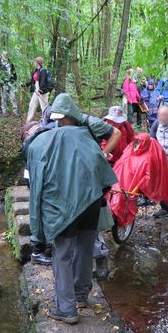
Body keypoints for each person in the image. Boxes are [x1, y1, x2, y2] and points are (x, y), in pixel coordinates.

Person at [27, 93, 118, 324]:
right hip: (91, 203)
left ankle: (66, 309)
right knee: (85, 249)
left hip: (65, 208)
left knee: (62, 254)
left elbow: (37, 189)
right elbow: (102, 172)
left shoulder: (41, 143)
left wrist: (37, 233)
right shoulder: (87, 134)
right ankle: (80, 297)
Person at [46, 95, 122, 262]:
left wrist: (101, 154)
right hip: (71, 173)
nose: (60, 123)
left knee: (91, 213)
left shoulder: (90, 123)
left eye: (63, 119)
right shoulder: (58, 126)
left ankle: (99, 253)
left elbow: (116, 133)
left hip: (90, 175)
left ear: (70, 114)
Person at [21, 122, 54, 265]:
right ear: (27, 132)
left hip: (38, 179)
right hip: (36, 181)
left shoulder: (35, 140)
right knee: (39, 213)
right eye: (36, 127)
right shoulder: (30, 143)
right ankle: (37, 252)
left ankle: (44, 246)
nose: (39, 128)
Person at [22, 56, 51, 123]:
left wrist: (40, 90)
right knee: (32, 105)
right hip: (36, 91)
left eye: (35, 61)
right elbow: (32, 81)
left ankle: (46, 121)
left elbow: (43, 82)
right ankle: (28, 121)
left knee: (44, 107)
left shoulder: (43, 70)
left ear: (37, 62)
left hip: (42, 92)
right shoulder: (36, 71)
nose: (34, 63)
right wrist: (24, 85)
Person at [0, 51, 19, 117]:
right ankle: (4, 112)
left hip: (11, 83)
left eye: (6, 54)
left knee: (13, 97)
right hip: (3, 83)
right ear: (1, 55)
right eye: (4, 54)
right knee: (3, 98)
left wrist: (15, 80)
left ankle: (15, 112)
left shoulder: (10, 62)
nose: (5, 55)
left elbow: (14, 72)